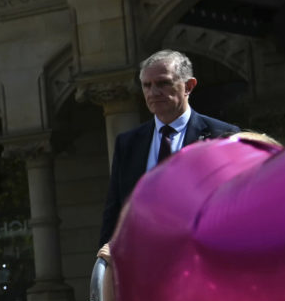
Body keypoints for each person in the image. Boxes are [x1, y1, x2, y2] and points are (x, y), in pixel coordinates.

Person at [100, 49, 238, 244]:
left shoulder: (222, 136)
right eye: (147, 85)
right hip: (143, 258)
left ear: (188, 86)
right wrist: (106, 261)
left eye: (163, 83)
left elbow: (232, 204)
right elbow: (114, 210)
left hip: (201, 254)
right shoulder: (128, 143)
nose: (153, 92)